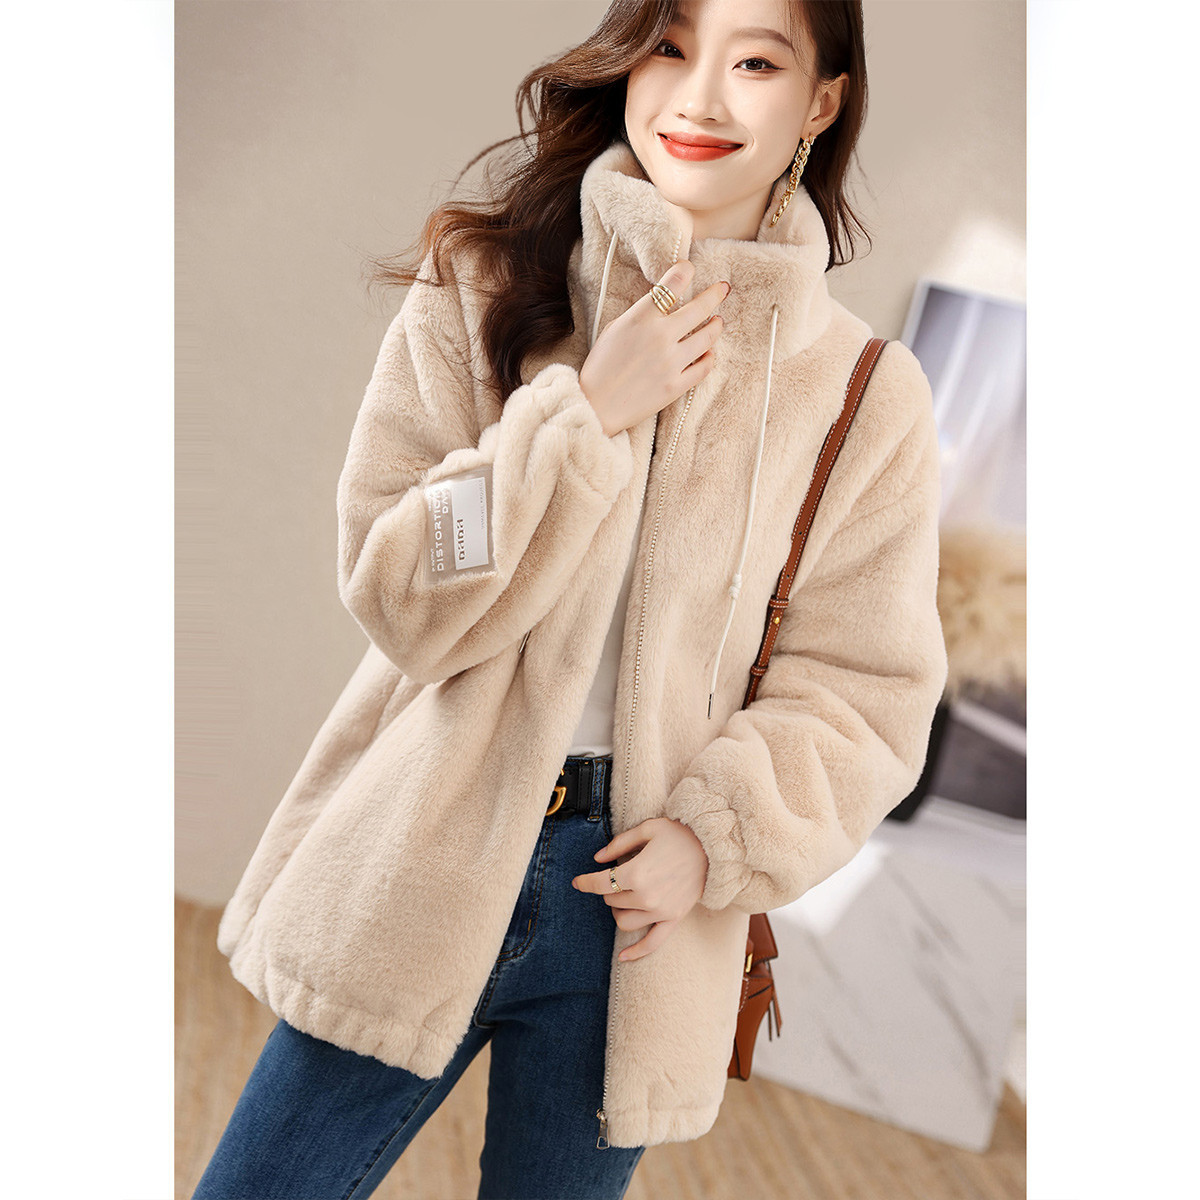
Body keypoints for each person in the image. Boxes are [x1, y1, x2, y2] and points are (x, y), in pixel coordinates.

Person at [191, 0, 949, 1197]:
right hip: (427, 844)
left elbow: (865, 693)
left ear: (820, 102)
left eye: (756, 61)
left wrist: (714, 839)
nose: (699, 95)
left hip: (637, 911)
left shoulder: (863, 392)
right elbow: (397, 583)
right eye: (670, 46)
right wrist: (581, 415)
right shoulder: (485, 278)